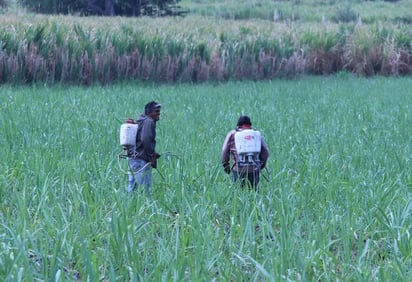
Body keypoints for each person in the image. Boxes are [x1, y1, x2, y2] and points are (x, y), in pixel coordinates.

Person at [221, 115, 269, 190]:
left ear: (238, 125)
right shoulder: (256, 134)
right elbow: (265, 151)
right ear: (250, 124)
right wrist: (261, 165)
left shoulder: (232, 134)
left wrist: (226, 166)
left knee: (238, 194)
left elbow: (224, 150)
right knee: (254, 193)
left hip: (238, 169)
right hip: (254, 169)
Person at [127, 101, 162, 197]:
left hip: (133, 159)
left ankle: (131, 209)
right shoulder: (149, 121)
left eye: (159, 111)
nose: (158, 113)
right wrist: (152, 156)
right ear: (149, 113)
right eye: (156, 111)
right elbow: (145, 139)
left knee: (132, 189)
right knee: (144, 191)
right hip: (141, 161)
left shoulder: (141, 121)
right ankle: (144, 210)